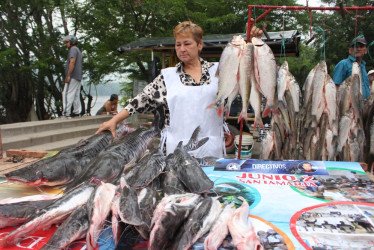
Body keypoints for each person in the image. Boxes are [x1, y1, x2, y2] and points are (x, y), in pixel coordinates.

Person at [96, 21, 263, 158]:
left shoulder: (219, 71)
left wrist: (253, 44)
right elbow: (140, 100)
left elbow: (250, 75)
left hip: (212, 149)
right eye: (178, 44)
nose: (182, 49)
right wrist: (114, 120)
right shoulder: (167, 77)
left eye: (187, 43)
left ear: (199, 45)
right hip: (177, 151)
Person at [62, 35, 83, 118]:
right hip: (78, 76)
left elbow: (72, 61)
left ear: (71, 42)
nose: (66, 44)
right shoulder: (78, 50)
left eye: (67, 42)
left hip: (73, 75)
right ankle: (76, 112)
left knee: (67, 93)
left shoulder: (73, 49)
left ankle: (66, 112)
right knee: (76, 94)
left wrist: (68, 75)